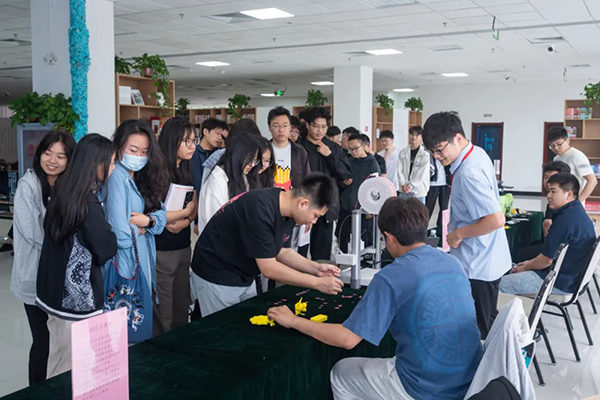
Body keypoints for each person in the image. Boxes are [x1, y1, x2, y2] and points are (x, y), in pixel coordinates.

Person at [268, 197, 483, 400]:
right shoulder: (453, 263)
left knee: (341, 373)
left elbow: (347, 339)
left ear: (389, 237)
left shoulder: (392, 276)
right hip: (471, 379)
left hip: (424, 389)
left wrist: (293, 320)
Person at [191, 173, 344, 317]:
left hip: (244, 274)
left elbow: (282, 251)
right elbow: (269, 268)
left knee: (245, 324)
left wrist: (316, 269)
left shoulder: (288, 209)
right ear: (303, 203)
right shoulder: (260, 208)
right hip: (217, 272)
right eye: (315, 216)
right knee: (222, 328)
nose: (314, 221)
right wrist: (317, 283)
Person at [36, 134, 118, 378]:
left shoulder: (63, 190)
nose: (113, 168)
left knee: (59, 353)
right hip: (74, 298)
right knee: (68, 365)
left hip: (52, 291)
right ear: (95, 164)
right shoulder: (87, 202)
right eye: (111, 162)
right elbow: (106, 247)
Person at [423, 111, 510, 339]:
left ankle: (490, 362)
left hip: (478, 263)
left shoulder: (469, 173)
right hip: (486, 256)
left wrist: (458, 233)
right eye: (432, 152)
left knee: (480, 331)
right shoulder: (476, 153)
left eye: (439, 150)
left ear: (458, 138)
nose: (436, 157)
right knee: (487, 320)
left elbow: (495, 219)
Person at [10, 131, 76, 385]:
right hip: (33, 276)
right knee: (43, 339)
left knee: (61, 340)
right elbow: (31, 232)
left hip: (59, 276)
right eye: (48, 153)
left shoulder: (67, 186)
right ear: (39, 154)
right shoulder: (28, 185)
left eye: (61, 156)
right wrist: (65, 249)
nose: (52, 161)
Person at [104, 119, 169, 341]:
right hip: (126, 264)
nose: (139, 156)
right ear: (119, 147)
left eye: (144, 152)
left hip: (144, 259)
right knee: (127, 331)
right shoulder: (116, 177)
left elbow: (162, 216)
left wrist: (147, 222)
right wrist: (141, 229)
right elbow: (120, 235)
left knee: (141, 322)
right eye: (133, 150)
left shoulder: (143, 176)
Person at [500, 173, 596, 296]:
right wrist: (528, 264)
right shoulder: (576, 211)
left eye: (553, 191)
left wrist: (524, 268)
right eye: (548, 191)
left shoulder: (565, 221)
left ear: (568, 194)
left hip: (557, 281)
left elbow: (546, 260)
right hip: (569, 277)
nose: (549, 196)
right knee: (513, 266)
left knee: (498, 285)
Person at [154, 117, 198, 334]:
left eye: (194, 141)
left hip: (183, 244)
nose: (192, 146)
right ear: (172, 141)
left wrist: (187, 220)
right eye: (187, 141)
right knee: (165, 310)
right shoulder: (157, 171)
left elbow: (194, 202)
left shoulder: (187, 167)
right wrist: (186, 214)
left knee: (182, 304)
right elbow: (154, 215)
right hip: (162, 248)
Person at [297, 107, 352, 261]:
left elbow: (346, 174)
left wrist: (329, 155)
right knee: (299, 251)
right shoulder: (299, 147)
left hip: (326, 206)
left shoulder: (333, 148)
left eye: (323, 127)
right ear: (307, 125)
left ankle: (320, 276)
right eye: (316, 126)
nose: (320, 130)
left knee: (322, 253)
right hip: (303, 204)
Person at [268, 106, 312, 257]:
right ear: (269, 128)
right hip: (269, 207)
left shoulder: (300, 152)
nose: (281, 130)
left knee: (291, 251)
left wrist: (308, 210)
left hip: (293, 208)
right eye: (276, 125)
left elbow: (307, 182)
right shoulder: (263, 150)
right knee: (269, 249)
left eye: (285, 125)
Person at [198, 134, 262, 235]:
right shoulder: (216, 182)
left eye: (255, 160)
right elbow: (216, 225)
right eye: (250, 160)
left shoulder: (240, 176)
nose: (253, 165)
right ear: (238, 155)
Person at [513, 161, 571, 263]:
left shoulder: (560, 203)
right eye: (546, 177)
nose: (548, 181)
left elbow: (548, 229)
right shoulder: (555, 199)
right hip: (558, 248)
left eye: (553, 177)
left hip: (559, 254)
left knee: (520, 253)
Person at [337, 134, 380, 253]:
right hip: (346, 207)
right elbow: (340, 182)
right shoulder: (349, 161)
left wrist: (371, 209)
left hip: (363, 210)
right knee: (342, 237)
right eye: (350, 149)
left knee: (363, 241)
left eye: (356, 148)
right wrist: (344, 183)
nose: (353, 152)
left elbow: (376, 188)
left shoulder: (372, 164)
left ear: (364, 146)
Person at [548, 126, 597, 203]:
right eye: (552, 146)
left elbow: (592, 181)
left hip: (573, 203)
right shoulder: (556, 159)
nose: (556, 148)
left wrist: (578, 202)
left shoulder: (577, 156)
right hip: (560, 202)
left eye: (559, 144)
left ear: (568, 140)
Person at [191, 118, 228, 196]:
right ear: (205, 132)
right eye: (217, 133)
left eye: (221, 135)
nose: (220, 138)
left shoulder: (220, 154)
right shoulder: (192, 152)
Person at [397, 126, 430, 203]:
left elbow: (422, 173)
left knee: (418, 210)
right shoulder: (403, 152)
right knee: (402, 210)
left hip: (418, 191)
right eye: (412, 134)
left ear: (421, 137)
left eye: (417, 135)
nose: (414, 137)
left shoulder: (425, 154)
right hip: (404, 189)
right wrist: (403, 184)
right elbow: (399, 170)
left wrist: (410, 186)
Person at [425, 154, 450, 235]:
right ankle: (423, 228)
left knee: (444, 208)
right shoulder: (430, 155)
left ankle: (441, 230)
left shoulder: (447, 155)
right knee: (428, 207)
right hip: (432, 184)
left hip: (445, 184)